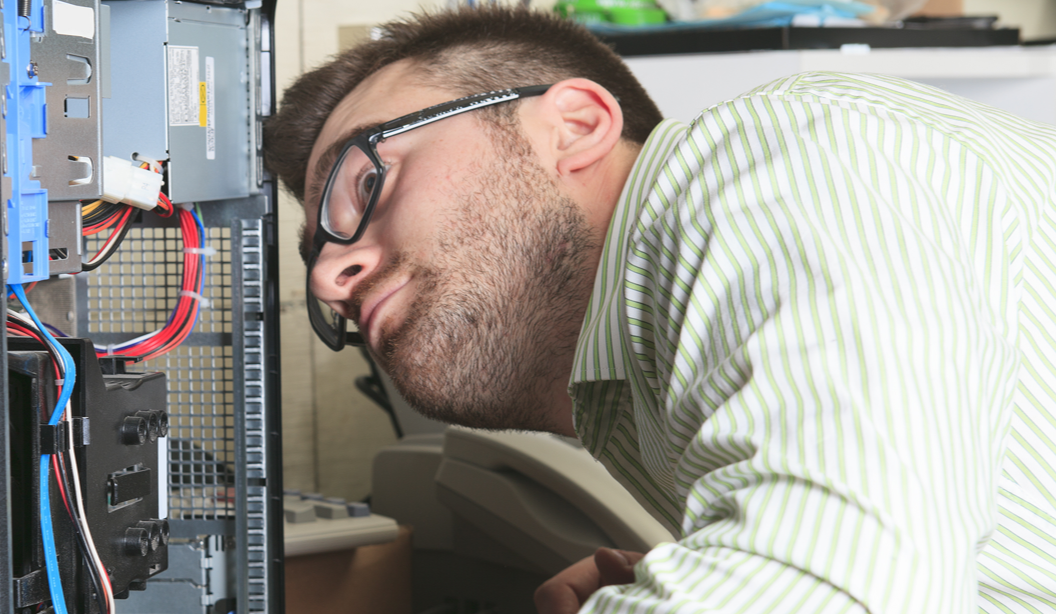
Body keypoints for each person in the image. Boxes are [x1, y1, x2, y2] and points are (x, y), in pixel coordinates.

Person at [264, 6, 1056, 614]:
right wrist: (689, 572)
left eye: (367, 183)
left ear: (575, 125)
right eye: (314, 262)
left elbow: (831, 591)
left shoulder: (779, 157)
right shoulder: (624, 383)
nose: (333, 279)